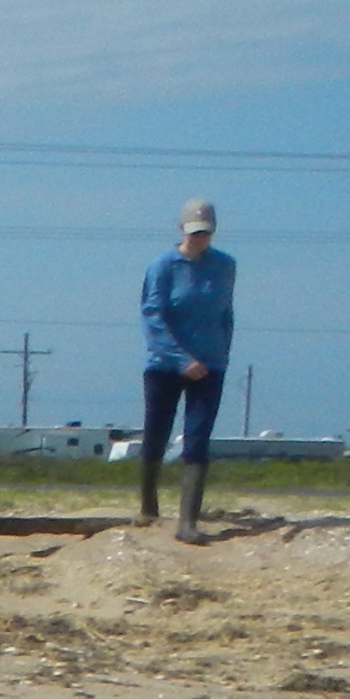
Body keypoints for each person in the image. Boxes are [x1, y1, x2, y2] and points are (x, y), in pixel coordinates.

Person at [139, 197, 237, 542]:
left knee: (197, 439)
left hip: (210, 365)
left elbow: (225, 312)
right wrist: (181, 359)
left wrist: (221, 354)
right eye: (194, 232)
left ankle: (187, 522)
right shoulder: (163, 266)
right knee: (157, 433)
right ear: (181, 229)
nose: (199, 238)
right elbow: (152, 316)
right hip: (165, 365)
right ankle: (148, 507)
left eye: (205, 232)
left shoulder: (225, 266)